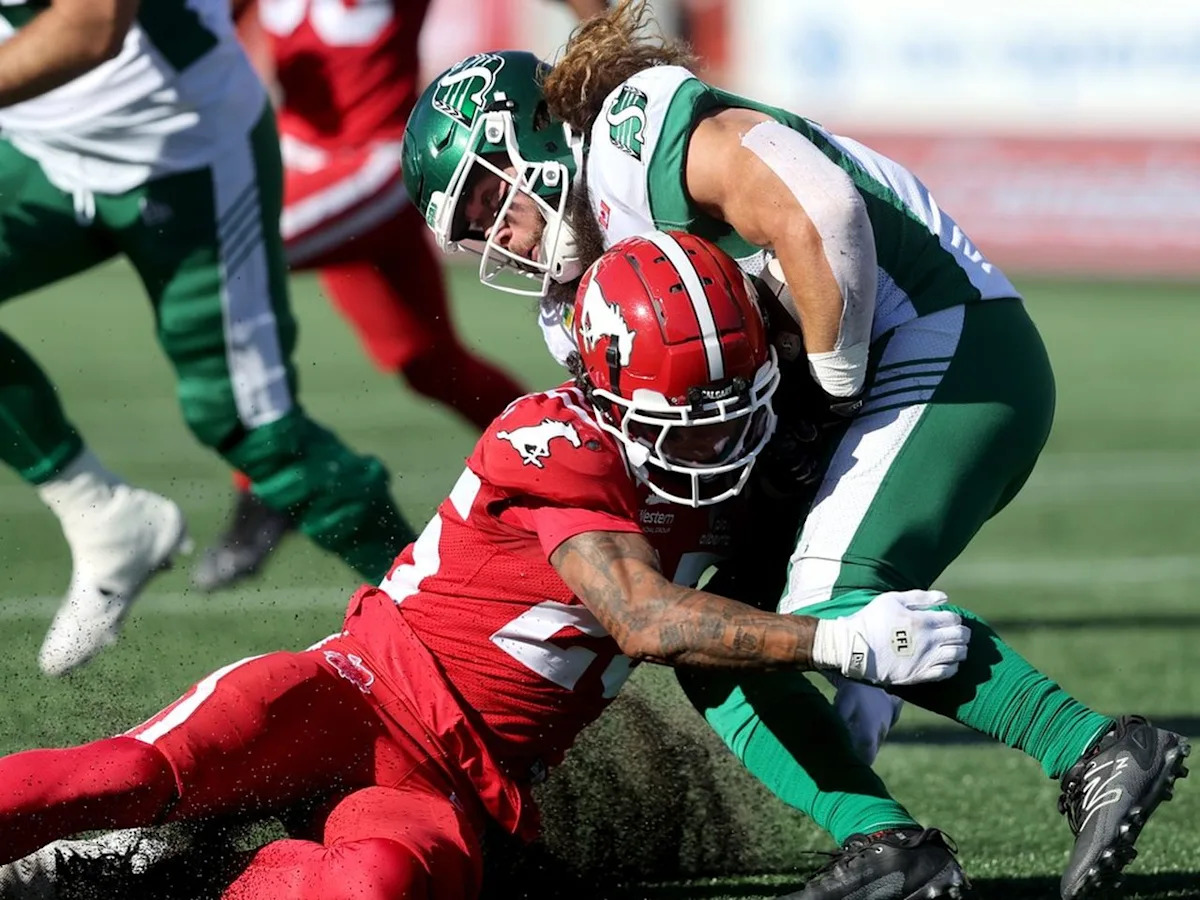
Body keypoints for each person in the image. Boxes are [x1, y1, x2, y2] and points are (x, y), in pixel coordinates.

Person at [397, 7, 1192, 898]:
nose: (491, 237)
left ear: (527, 134)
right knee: (720, 642)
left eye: (481, 198)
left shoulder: (632, 136)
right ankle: (886, 844)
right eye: (465, 228)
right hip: (831, 402)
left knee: (827, 598)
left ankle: (1092, 746)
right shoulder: (572, 305)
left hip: (943, 343)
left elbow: (822, 211)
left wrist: (830, 389)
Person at [0, 232, 971, 900]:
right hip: (353, 694)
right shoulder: (550, 436)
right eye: (689, 423)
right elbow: (648, 619)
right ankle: (141, 831)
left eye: (734, 410)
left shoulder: (751, 456)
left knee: (370, 887)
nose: (717, 448)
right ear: (608, 393)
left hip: (460, 788)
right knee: (115, 772)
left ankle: (177, 874)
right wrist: (844, 642)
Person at [0, 0, 417, 677]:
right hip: (37, 147)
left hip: (183, 147)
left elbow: (91, 23)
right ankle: (101, 513)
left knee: (256, 432)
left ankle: (446, 621)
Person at [191, 0, 532, 592]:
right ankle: (558, 452)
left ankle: (274, 480)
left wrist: (602, 31)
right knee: (428, 363)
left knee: (231, 262)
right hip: (300, 166)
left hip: (378, 165)